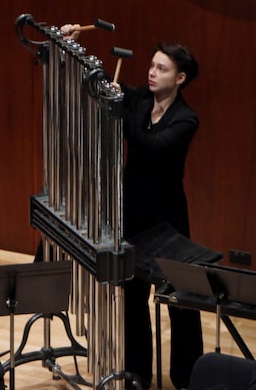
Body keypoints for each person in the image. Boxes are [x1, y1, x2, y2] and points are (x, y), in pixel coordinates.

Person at [63, 24, 201, 389]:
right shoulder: (140, 99)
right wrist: (72, 49)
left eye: (162, 68)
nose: (152, 72)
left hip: (168, 223)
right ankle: (137, 374)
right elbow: (103, 83)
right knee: (133, 299)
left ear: (181, 78)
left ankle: (189, 377)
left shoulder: (186, 120)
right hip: (133, 217)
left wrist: (122, 116)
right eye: (152, 66)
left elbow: (151, 148)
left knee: (180, 301)